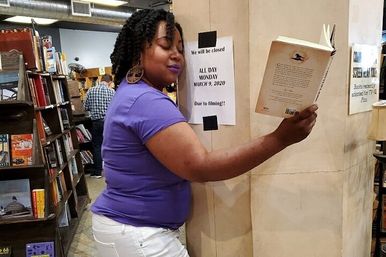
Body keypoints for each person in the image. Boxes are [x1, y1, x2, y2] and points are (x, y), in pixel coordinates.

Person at [91, 9, 318, 257]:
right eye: (166, 46)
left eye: (180, 48)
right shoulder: (146, 100)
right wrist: (280, 139)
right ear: (137, 51)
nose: (177, 56)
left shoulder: (131, 93)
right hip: (139, 235)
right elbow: (200, 166)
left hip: (132, 230)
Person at [84, 74, 115, 178]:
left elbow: (86, 107)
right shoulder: (112, 92)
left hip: (96, 122)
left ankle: (97, 172)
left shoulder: (91, 90)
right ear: (110, 82)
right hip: (109, 122)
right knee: (111, 145)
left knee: (97, 146)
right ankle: (113, 171)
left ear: (100, 80)